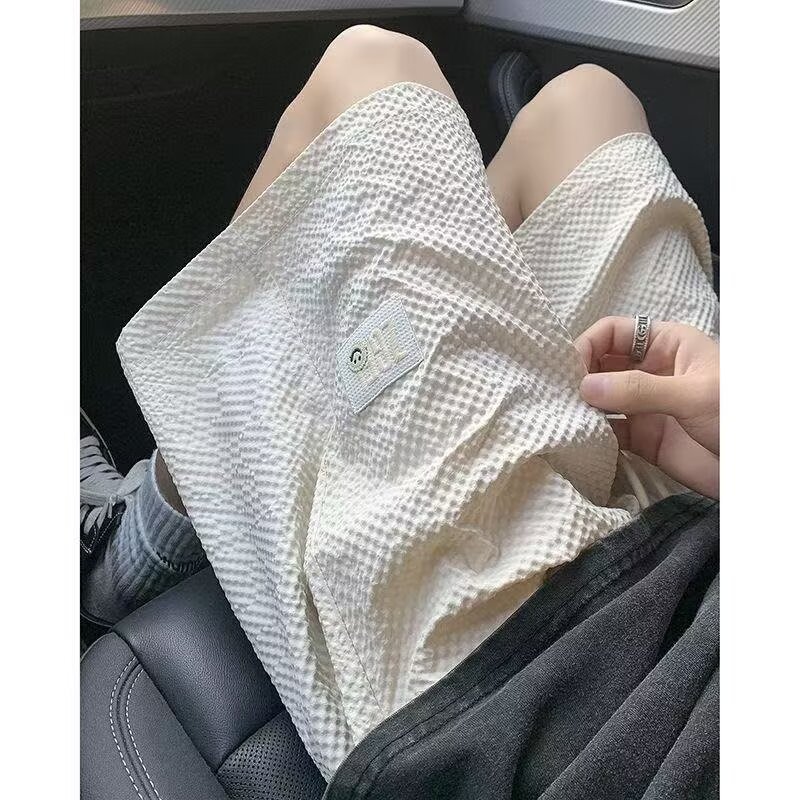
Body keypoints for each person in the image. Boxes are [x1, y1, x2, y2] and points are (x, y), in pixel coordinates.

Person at [81, 26, 719, 778]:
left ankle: (130, 548)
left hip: (564, 689)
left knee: (374, 70)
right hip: (703, 544)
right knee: (586, 106)